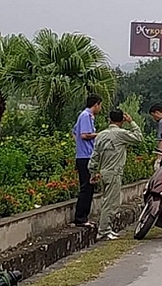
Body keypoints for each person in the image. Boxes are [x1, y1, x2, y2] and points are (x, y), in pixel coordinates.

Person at [89, 109, 143, 240]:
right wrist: (132, 122)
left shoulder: (101, 135)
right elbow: (139, 138)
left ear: (109, 120)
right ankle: (103, 231)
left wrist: (92, 172)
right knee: (111, 204)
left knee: (106, 201)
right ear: (122, 121)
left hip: (103, 172)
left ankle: (106, 228)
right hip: (114, 173)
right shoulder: (120, 134)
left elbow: (94, 156)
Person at [72, 94, 102, 227]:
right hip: (85, 156)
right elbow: (84, 135)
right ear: (95, 105)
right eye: (99, 105)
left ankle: (84, 216)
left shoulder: (86, 116)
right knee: (86, 187)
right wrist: (99, 135)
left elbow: (75, 132)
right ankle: (81, 218)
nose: (100, 108)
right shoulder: (86, 116)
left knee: (89, 187)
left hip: (84, 154)